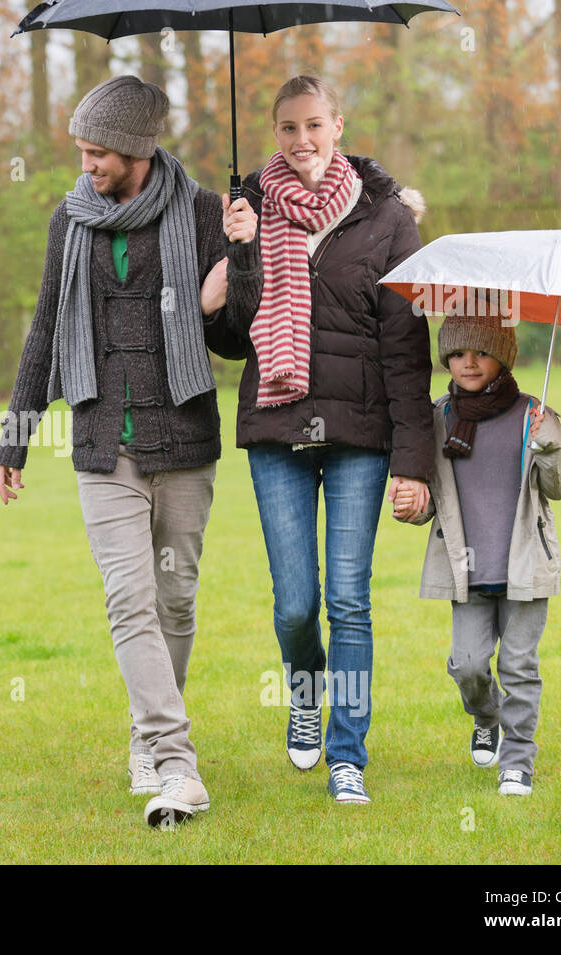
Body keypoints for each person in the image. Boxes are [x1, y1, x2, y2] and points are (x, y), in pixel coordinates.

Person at [0, 75, 254, 828]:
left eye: (98, 150)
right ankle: (175, 758)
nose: (87, 162)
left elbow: (236, 337)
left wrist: (244, 258)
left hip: (183, 438)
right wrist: (14, 436)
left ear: (139, 149)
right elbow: (45, 328)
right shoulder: (69, 220)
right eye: (81, 147)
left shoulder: (205, 212)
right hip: (103, 440)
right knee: (128, 600)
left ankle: (147, 731)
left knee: (173, 601)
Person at [221, 75, 433, 804]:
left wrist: (414, 461)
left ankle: (348, 750)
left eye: (314, 125)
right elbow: (226, 337)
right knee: (294, 605)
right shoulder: (245, 209)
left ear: (338, 126)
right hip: (276, 429)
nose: (302, 141)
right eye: (287, 129)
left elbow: (407, 348)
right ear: (274, 133)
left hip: (360, 434)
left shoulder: (388, 218)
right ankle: (303, 692)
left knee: (349, 599)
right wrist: (242, 251)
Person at [393, 315, 561, 796]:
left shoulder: (534, 414)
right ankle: (486, 717)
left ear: (504, 356)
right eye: (456, 354)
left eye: (480, 352)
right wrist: (412, 506)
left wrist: (548, 446)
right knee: (468, 665)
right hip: (466, 570)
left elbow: (560, 487)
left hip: (523, 567)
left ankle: (517, 760)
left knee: (519, 666)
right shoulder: (438, 417)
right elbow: (429, 498)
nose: (467, 362)